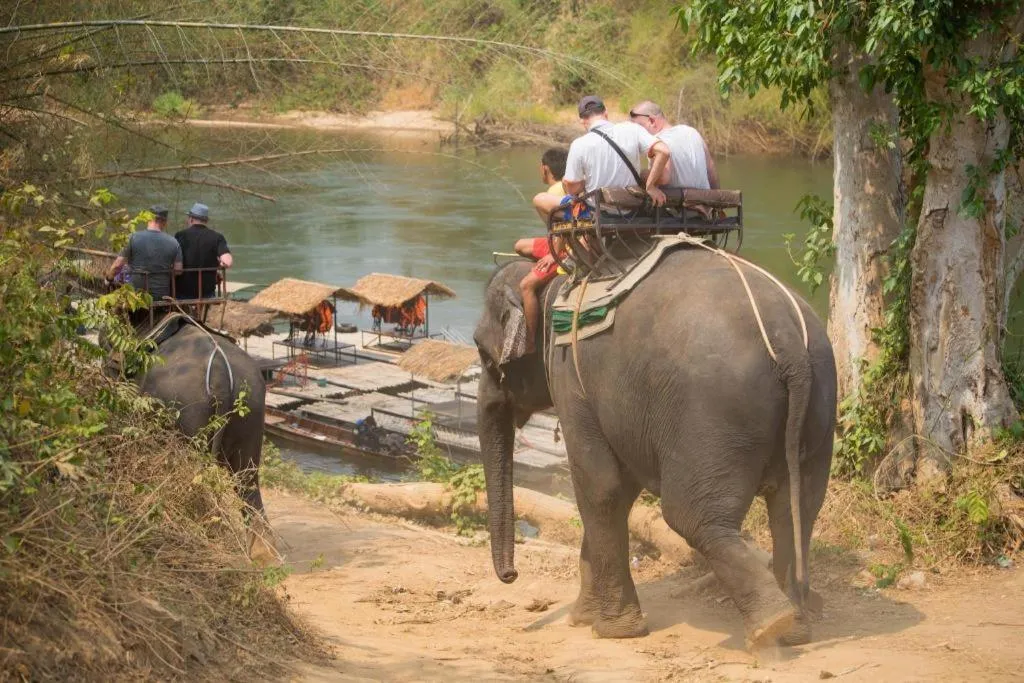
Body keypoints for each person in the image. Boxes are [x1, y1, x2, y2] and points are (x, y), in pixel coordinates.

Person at [519, 96, 671, 354]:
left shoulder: (581, 144)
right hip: (634, 212)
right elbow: (664, 151)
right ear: (607, 113)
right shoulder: (632, 129)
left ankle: (565, 248)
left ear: (582, 121)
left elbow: (573, 187)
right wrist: (651, 185)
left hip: (599, 216)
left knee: (542, 200)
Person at [105, 205, 183, 327]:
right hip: (161, 297)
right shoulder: (174, 242)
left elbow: (117, 266)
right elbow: (178, 271)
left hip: (135, 296)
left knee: (115, 311)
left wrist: (108, 278)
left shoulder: (133, 237)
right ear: (165, 222)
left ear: (148, 218)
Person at [628, 100, 719, 190]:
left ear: (652, 121)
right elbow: (711, 170)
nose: (638, 134)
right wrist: (717, 199)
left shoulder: (657, 142)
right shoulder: (691, 132)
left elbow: (663, 178)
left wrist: (641, 175)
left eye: (638, 128)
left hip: (680, 204)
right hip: (706, 201)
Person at [174, 202, 232, 321]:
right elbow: (228, 261)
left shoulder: (180, 236)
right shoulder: (217, 237)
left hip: (183, 291)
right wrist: (220, 263)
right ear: (206, 220)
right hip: (206, 291)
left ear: (191, 219)